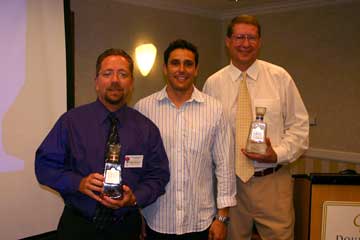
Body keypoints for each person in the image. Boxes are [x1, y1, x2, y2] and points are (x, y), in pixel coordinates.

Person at [35, 48, 170, 240]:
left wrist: (135, 197)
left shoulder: (146, 129)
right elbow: (44, 166)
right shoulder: (71, 122)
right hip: (78, 227)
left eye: (122, 74)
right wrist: (78, 183)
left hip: (125, 229)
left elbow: (158, 175)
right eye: (107, 74)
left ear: (131, 83)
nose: (115, 80)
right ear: (96, 82)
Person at [203, 15, 309, 240]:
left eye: (251, 37)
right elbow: (206, 134)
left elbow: (300, 128)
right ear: (228, 41)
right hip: (230, 187)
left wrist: (276, 154)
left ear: (259, 42)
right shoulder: (213, 84)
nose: (245, 43)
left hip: (272, 184)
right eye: (239, 37)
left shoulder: (280, 77)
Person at [135, 39, 236, 240]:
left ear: (196, 69)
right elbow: (136, 167)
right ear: (165, 68)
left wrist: (222, 218)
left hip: (200, 222)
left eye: (188, 64)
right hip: (156, 220)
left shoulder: (215, 110)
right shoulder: (143, 109)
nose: (182, 69)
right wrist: (137, 214)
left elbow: (225, 166)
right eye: (175, 63)